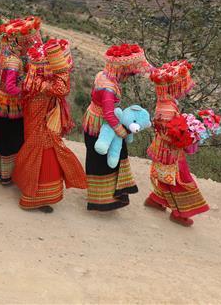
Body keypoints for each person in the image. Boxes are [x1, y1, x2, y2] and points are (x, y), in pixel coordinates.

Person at [13, 39, 86, 212]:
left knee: (37, 154)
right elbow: (63, 89)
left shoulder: (34, 80)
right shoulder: (44, 85)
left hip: (38, 123)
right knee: (43, 156)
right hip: (42, 127)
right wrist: (61, 69)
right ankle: (33, 198)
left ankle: (30, 191)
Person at [83, 43, 151, 211]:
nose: (128, 77)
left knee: (96, 158)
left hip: (93, 119)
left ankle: (102, 197)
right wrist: (121, 131)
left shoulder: (102, 75)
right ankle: (104, 200)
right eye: (127, 73)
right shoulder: (109, 88)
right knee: (103, 159)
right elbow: (108, 113)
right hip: (101, 125)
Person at [145, 60, 209, 226]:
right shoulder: (168, 108)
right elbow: (171, 135)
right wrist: (191, 135)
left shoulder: (164, 102)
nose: (184, 90)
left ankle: (156, 200)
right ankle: (180, 214)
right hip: (170, 151)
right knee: (180, 179)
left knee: (166, 176)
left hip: (162, 148)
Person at [0, 16, 41, 185]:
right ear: (20, 43)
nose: (28, 46)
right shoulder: (14, 61)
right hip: (11, 106)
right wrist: (25, 92)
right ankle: (7, 175)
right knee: (11, 137)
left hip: (2, 104)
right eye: (27, 43)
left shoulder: (7, 56)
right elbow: (10, 87)